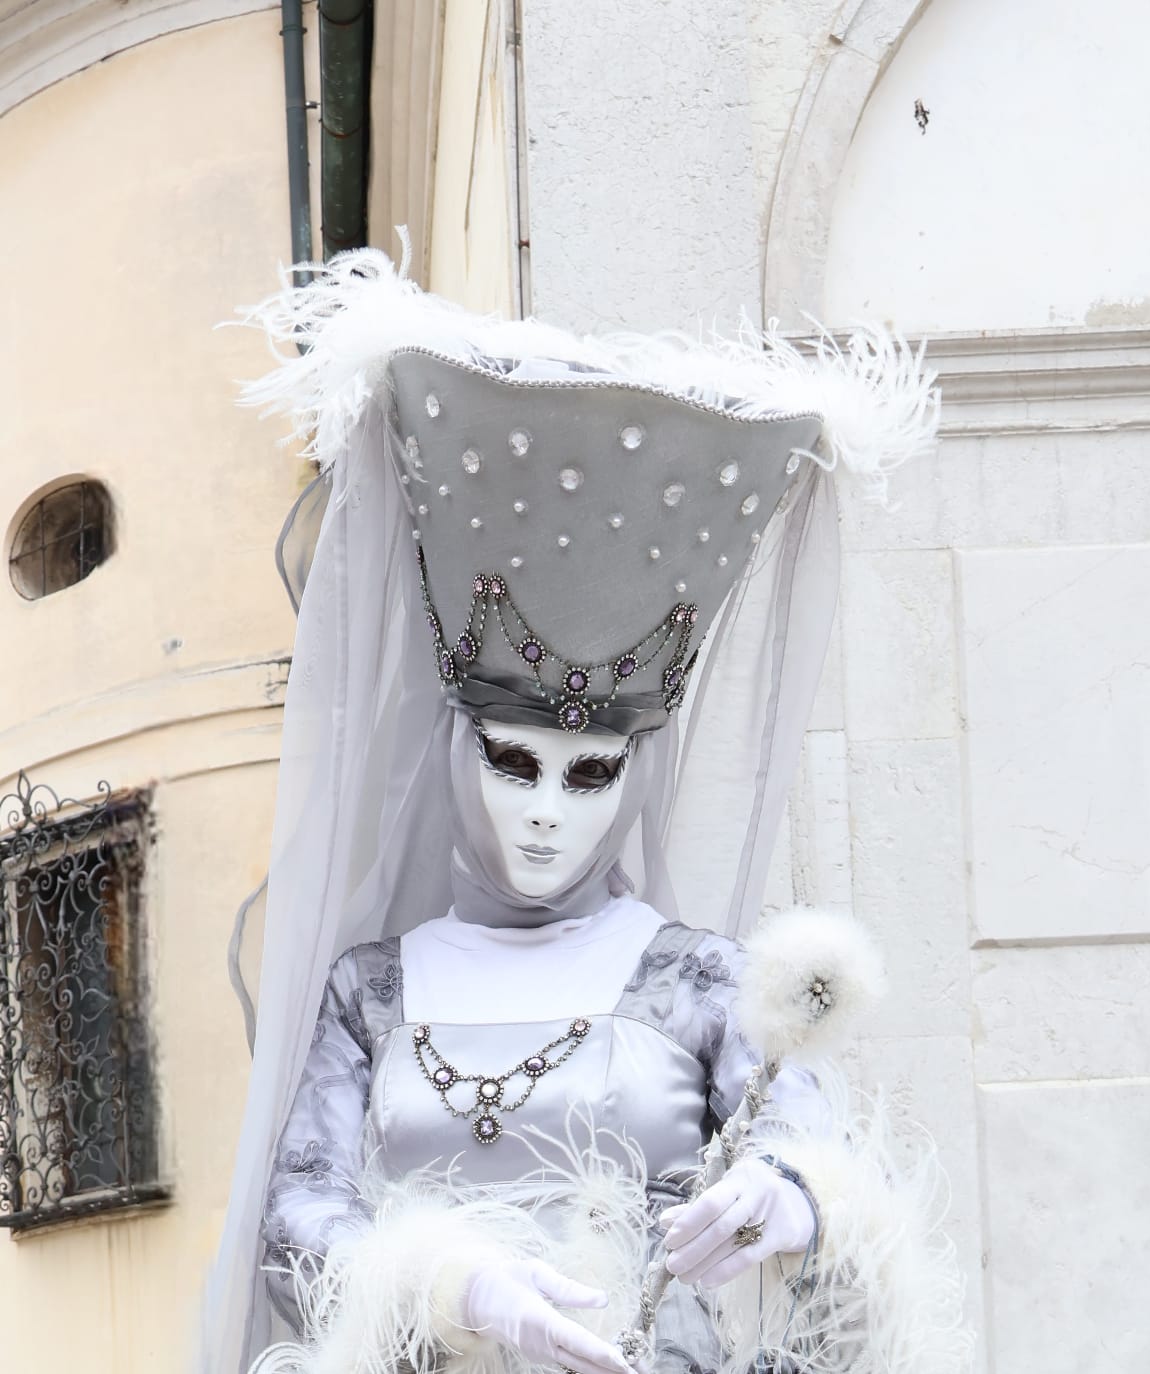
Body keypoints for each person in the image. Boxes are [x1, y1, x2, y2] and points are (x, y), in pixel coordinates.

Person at [200, 248, 967, 1374]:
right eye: (515, 764)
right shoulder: (371, 994)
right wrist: (454, 1288)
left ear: (632, 777)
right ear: (458, 759)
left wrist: (793, 1194)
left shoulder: (700, 980)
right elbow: (299, 1220)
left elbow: (808, 1135)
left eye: (590, 775)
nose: (547, 814)